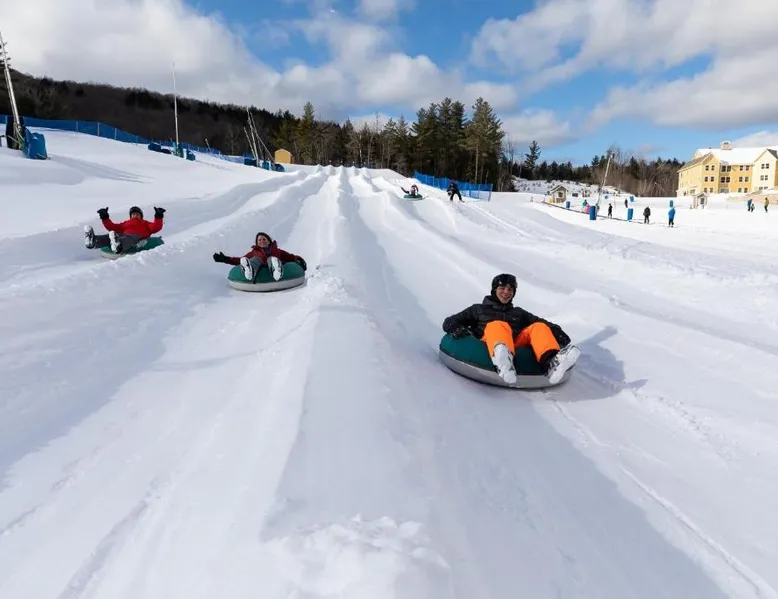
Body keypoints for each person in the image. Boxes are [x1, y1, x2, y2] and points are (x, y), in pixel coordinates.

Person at [442, 274, 580, 385]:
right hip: (487, 343)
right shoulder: (478, 309)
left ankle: (552, 363)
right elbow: (450, 321)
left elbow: (542, 323)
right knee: (498, 325)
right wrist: (456, 328)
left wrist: (557, 331)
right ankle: (502, 361)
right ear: (494, 289)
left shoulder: (519, 313)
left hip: (515, 344)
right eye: (502, 288)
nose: (506, 292)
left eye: (510, 289)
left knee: (539, 327)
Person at [212, 231, 307, 281]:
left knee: (272, 259)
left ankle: (277, 270)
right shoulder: (254, 252)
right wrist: (225, 259)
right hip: (258, 265)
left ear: (269, 241)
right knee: (255, 259)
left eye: (264, 239)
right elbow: (240, 260)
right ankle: (250, 271)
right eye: (259, 240)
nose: (262, 241)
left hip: (272, 264)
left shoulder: (277, 251)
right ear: (257, 243)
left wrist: (299, 259)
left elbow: (290, 257)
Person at [84, 205, 165, 254]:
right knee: (111, 235)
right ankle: (94, 241)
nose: (135, 215)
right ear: (130, 216)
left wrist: (158, 216)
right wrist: (105, 217)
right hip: (123, 235)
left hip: (137, 237)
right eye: (133, 214)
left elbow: (155, 227)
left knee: (129, 238)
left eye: (137, 214)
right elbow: (112, 227)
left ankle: (118, 246)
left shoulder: (145, 223)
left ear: (141, 216)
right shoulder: (126, 223)